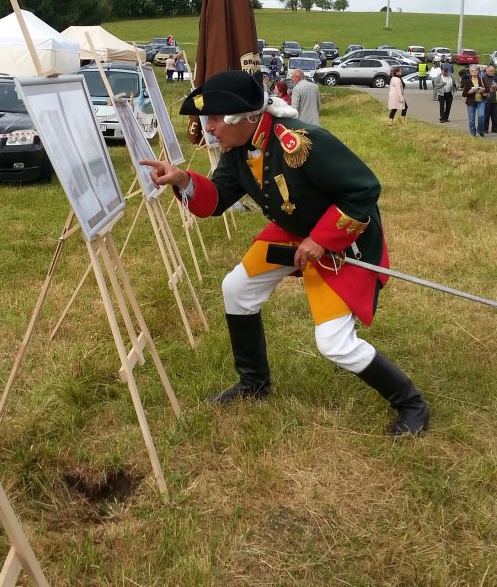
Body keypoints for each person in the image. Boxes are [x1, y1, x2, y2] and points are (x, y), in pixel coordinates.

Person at [141, 70, 429, 437]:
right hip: (294, 234)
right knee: (236, 288)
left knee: (334, 343)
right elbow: (217, 200)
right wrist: (183, 179)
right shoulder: (239, 149)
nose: (208, 127)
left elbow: (364, 189)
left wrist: (322, 239)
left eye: (214, 118)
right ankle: (254, 384)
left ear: (243, 117)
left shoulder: (303, 142)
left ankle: (411, 404)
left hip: (343, 243)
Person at [461, 64, 487, 137]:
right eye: (472, 71)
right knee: (471, 119)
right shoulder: (468, 81)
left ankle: (480, 130)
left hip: (481, 101)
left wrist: (483, 90)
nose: (474, 72)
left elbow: (487, 89)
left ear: (478, 71)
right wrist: (470, 91)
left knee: (481, 116)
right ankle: (472, 132)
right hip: (471, 102)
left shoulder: (482, 80)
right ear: (470, 72)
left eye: (476, 70)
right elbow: (464, 94)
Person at [481, 64, 497, 133]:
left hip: (493, 100)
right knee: (486, 116)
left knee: (495, 115)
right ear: (486, 71)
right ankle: (484, 129)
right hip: (485, 100)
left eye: (493, 71)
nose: (492, 72)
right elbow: (481, 88)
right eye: (490, 71)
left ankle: (495, 129)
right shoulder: (483, 78)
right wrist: (489, 89)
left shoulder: (495, 77)